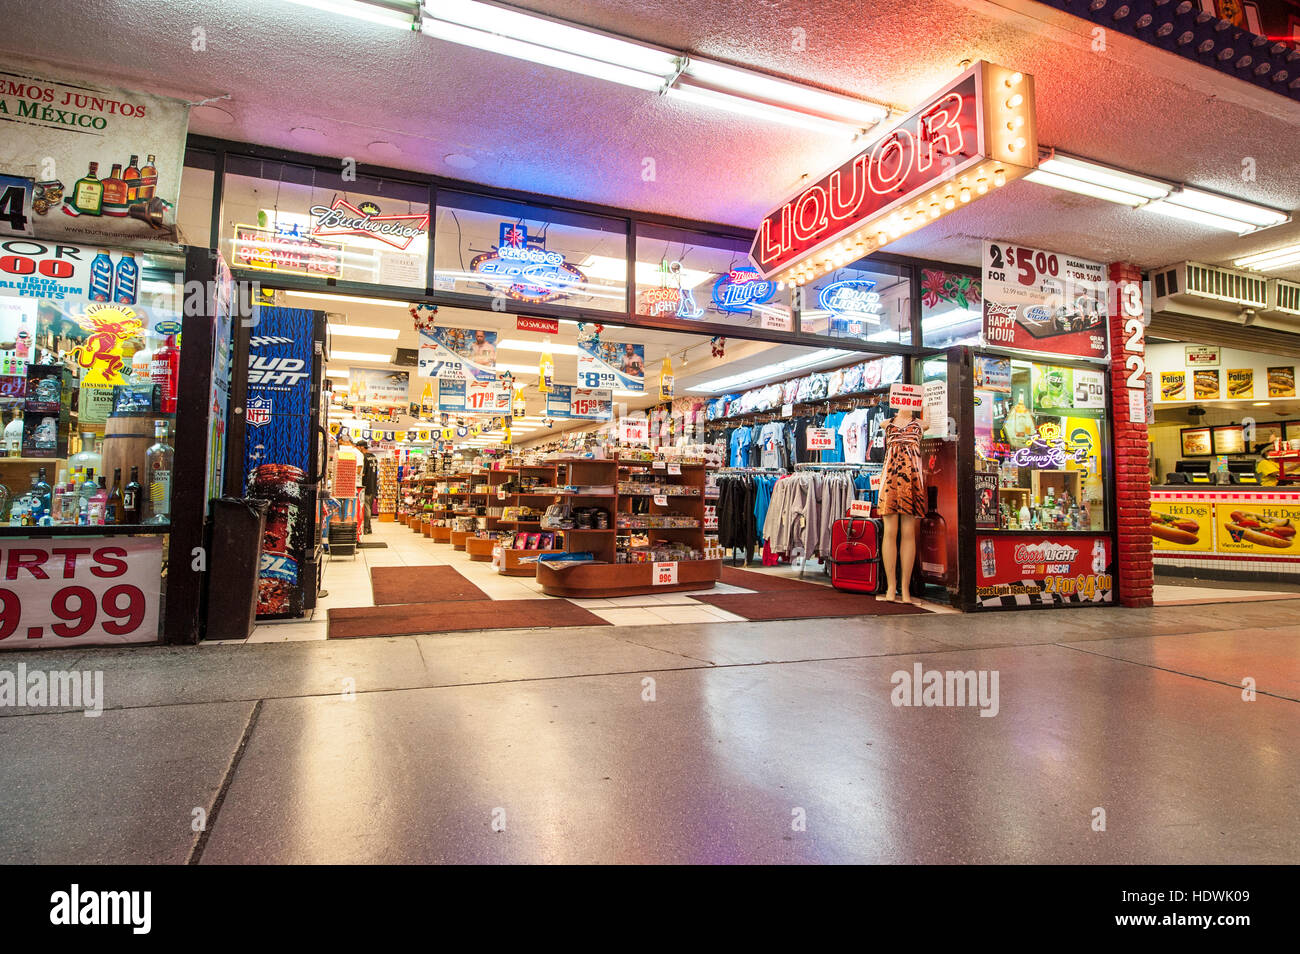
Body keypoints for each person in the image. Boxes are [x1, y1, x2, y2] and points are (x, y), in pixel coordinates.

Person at [877, 408, 926, 603]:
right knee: (890, 531)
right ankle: (891, 586)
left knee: (908, 533)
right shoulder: (886, 423)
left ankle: (904, 588)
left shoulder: (921, 424)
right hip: (889, 479)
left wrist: (927, 404)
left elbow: (927, 419)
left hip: (912, 481)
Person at [356, 440, 378, 534]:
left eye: (357, 447)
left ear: (361, 447)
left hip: (366, 486)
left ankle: (365, 528)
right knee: (368, 506)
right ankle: (369, 527)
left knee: (366, 508)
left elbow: (363, 473)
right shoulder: (374, 457)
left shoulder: (363, 457)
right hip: (373, 486)